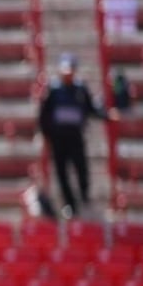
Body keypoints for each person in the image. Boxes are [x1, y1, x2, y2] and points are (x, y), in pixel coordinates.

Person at [37, 52, 120, 218]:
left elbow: (91, 109)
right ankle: (70, 205)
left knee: (82, 169)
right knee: (62, 173)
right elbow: (43, 116)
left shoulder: (81, 89)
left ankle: (84, 198)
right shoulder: (53, 91)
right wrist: (46, 136)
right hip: (58, 140)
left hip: (76, 138)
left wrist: (106, 115)